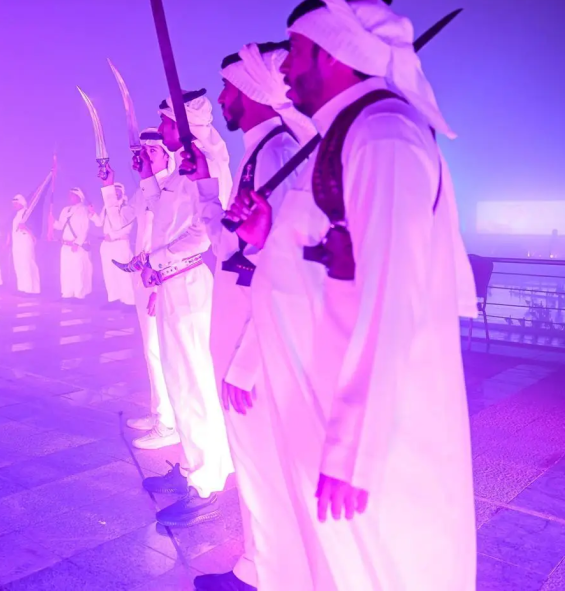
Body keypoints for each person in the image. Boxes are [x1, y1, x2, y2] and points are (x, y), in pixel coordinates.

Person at [222, 1, 479, 588]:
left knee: (386, 566)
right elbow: (319, 263)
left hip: (378, 431)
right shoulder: (345, 135)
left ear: (334, 54)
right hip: (327, 399)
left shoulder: (384, 136)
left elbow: (392, 295)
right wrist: (266, 238)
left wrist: (354, 449)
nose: (284, 68)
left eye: (296, 51)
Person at [193, 41, 317, 591]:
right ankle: (259, 564)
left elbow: (285, 264)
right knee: (253, 458)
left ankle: (271, 575)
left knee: (263, 459)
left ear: (251, 90)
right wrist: (203, 184)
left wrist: (249, 359)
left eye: (229, 88)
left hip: (255, 328)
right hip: (239, 316)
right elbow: (227, 244)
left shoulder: (276, 153)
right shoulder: (259, 152)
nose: (223, 100)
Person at [135, 90, 234, 529]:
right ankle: (194, 466)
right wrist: (147, 177)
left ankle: (207, 483)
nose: (163, 131)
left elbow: (201, 233)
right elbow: (162, 215)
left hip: (190, 283)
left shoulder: (206, 162)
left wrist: (157, 260)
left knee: (195, 384)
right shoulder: (180, 170)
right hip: (172, 282)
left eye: (167, 123)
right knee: (179, 383)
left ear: (183, 124)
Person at [118, 129, 181, 451]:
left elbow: (174, 238)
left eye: (152, 152)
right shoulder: (144, 190)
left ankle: (170, 423)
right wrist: (108, 186)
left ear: (168, 155)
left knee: (163, 351)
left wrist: (159, 281)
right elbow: (118, 222)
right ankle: (161, 413)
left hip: (162, 277)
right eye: (143, 151)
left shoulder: (175, 187)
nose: (145, 156)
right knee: (151, 350)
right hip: (143, 276)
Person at [90, 182, 136, 307]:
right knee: (109, 273)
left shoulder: (127, 207)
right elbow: (100, 223)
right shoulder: (106, 207)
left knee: (124, 273)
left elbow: (127, 227)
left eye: (118, 191)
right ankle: (114, 300)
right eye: (113, 191)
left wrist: (113, 236)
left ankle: (129, 302)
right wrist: (93, 214)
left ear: (122, 193)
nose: (115, 193)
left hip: (120, 243)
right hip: (106, 245)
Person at [52, 188, 93, 299]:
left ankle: (79, 295)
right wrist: (53, 222)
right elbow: (60, 226)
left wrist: (78, 243)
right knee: (66, 270)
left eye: (73, 195)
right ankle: (67, 294)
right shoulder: (65, 210)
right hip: (65, 245)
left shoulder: (84, 210)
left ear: (79, 197)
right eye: (70, 195)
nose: (70, 197)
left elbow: (85, 229)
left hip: (77, 246)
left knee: (78, 271)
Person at [10, 194, 41, 294]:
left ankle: (30, 290)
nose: (14, 205)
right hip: (17, 243)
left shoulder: (28, 213)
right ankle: (22, 288)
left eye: (16, 203)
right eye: (14, 203)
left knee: (27, 264)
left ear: (21, 203)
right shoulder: (16, 215)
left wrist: (25, 227)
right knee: (19, 265)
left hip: (25, 241)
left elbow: (34, 228)